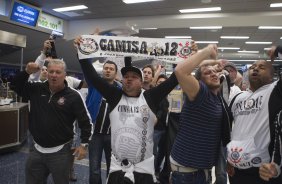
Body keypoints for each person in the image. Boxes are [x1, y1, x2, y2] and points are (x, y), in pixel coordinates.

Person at [75, 35, 178, 184]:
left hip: (144, 169)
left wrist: (183, 58)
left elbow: (174, 80)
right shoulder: (115, 95)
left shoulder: (149, 97)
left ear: (141, 82)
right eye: (126, 76)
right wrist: (82, 52)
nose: (129, 78)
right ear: (122, 80)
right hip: (119, 168)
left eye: (134, 76)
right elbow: (91, 75)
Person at [11, 59, 93, 184]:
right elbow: (15, 86)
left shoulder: (74, 96)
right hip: (36, 149)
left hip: (61, 152)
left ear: (65, 75)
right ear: (47, 73)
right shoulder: (36, 88)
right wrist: (27, 71)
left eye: (58, 72)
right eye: (51, 71)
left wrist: (84, 145)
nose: (54, 75)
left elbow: (86, 122)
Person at [170, 44, 231, 184]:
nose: (214, 74)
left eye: (215, 72)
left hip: (200, 169)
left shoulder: (217, 97)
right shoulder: (200, 92)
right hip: (187, 172)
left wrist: (214, 62)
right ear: (199, 80)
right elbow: (180, 71)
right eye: (207, 73)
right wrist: (207, 51)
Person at [227, 47, 282, 183]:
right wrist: (228, 158)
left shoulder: (275, 90)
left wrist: (279, 50)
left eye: (262, 67)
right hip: (236, 170)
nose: (255, 69)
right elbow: (228, 130)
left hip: (264, 170)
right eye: (252, 67)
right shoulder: (238, 97)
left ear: (272, 75)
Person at [86, 59, 121, 184]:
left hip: (113, 136)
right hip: (95, 134)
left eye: (111, 69)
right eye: (106, 68)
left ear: (116, 74)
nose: (108, 70)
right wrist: (82, 52)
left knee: (113, 168)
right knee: (94, 169)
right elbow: (86, 68)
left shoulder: (120, 90)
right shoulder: (95, 84)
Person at [153, 74, 169, 181]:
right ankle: (152, 172)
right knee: (153, 152)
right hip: (156, 128)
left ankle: (158, 170)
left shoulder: (173, 95)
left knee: (163, 152)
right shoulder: (154, 95)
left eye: (164, 83)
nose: (161, 84)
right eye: (159, 83)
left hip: (168, 129)